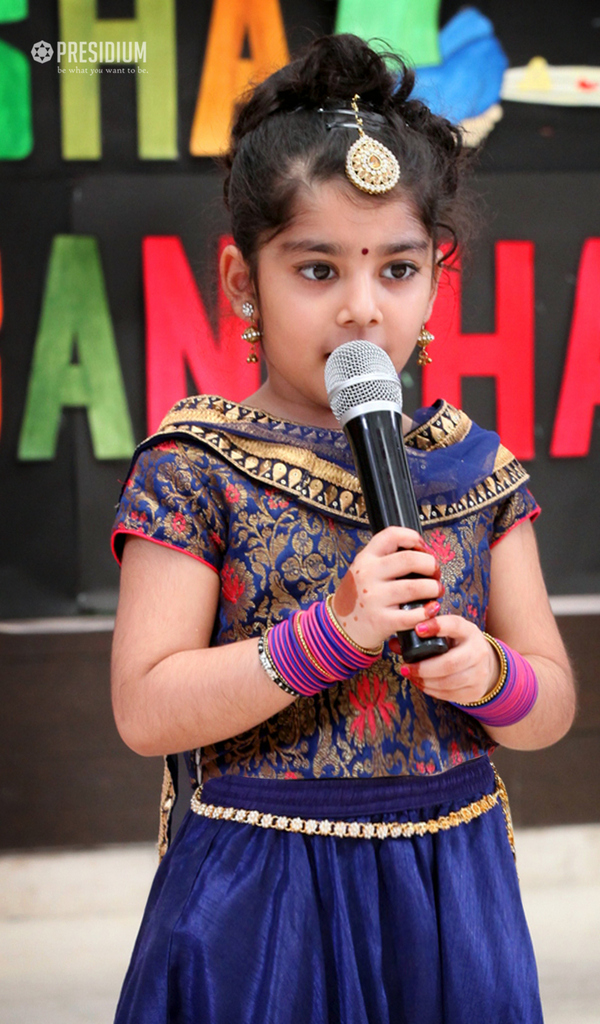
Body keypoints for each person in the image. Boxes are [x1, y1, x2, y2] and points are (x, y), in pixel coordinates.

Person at [110, 33, 575, 1024]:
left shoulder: (473, 467)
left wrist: (490, 675)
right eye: (317, 271)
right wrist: (333, 632)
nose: (363, 309)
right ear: (242, 280)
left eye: (397, 269)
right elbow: (147, 709)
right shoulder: (196, 465)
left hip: (449, 895)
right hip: (259, 902)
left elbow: (551, 703)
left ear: (435, 279)